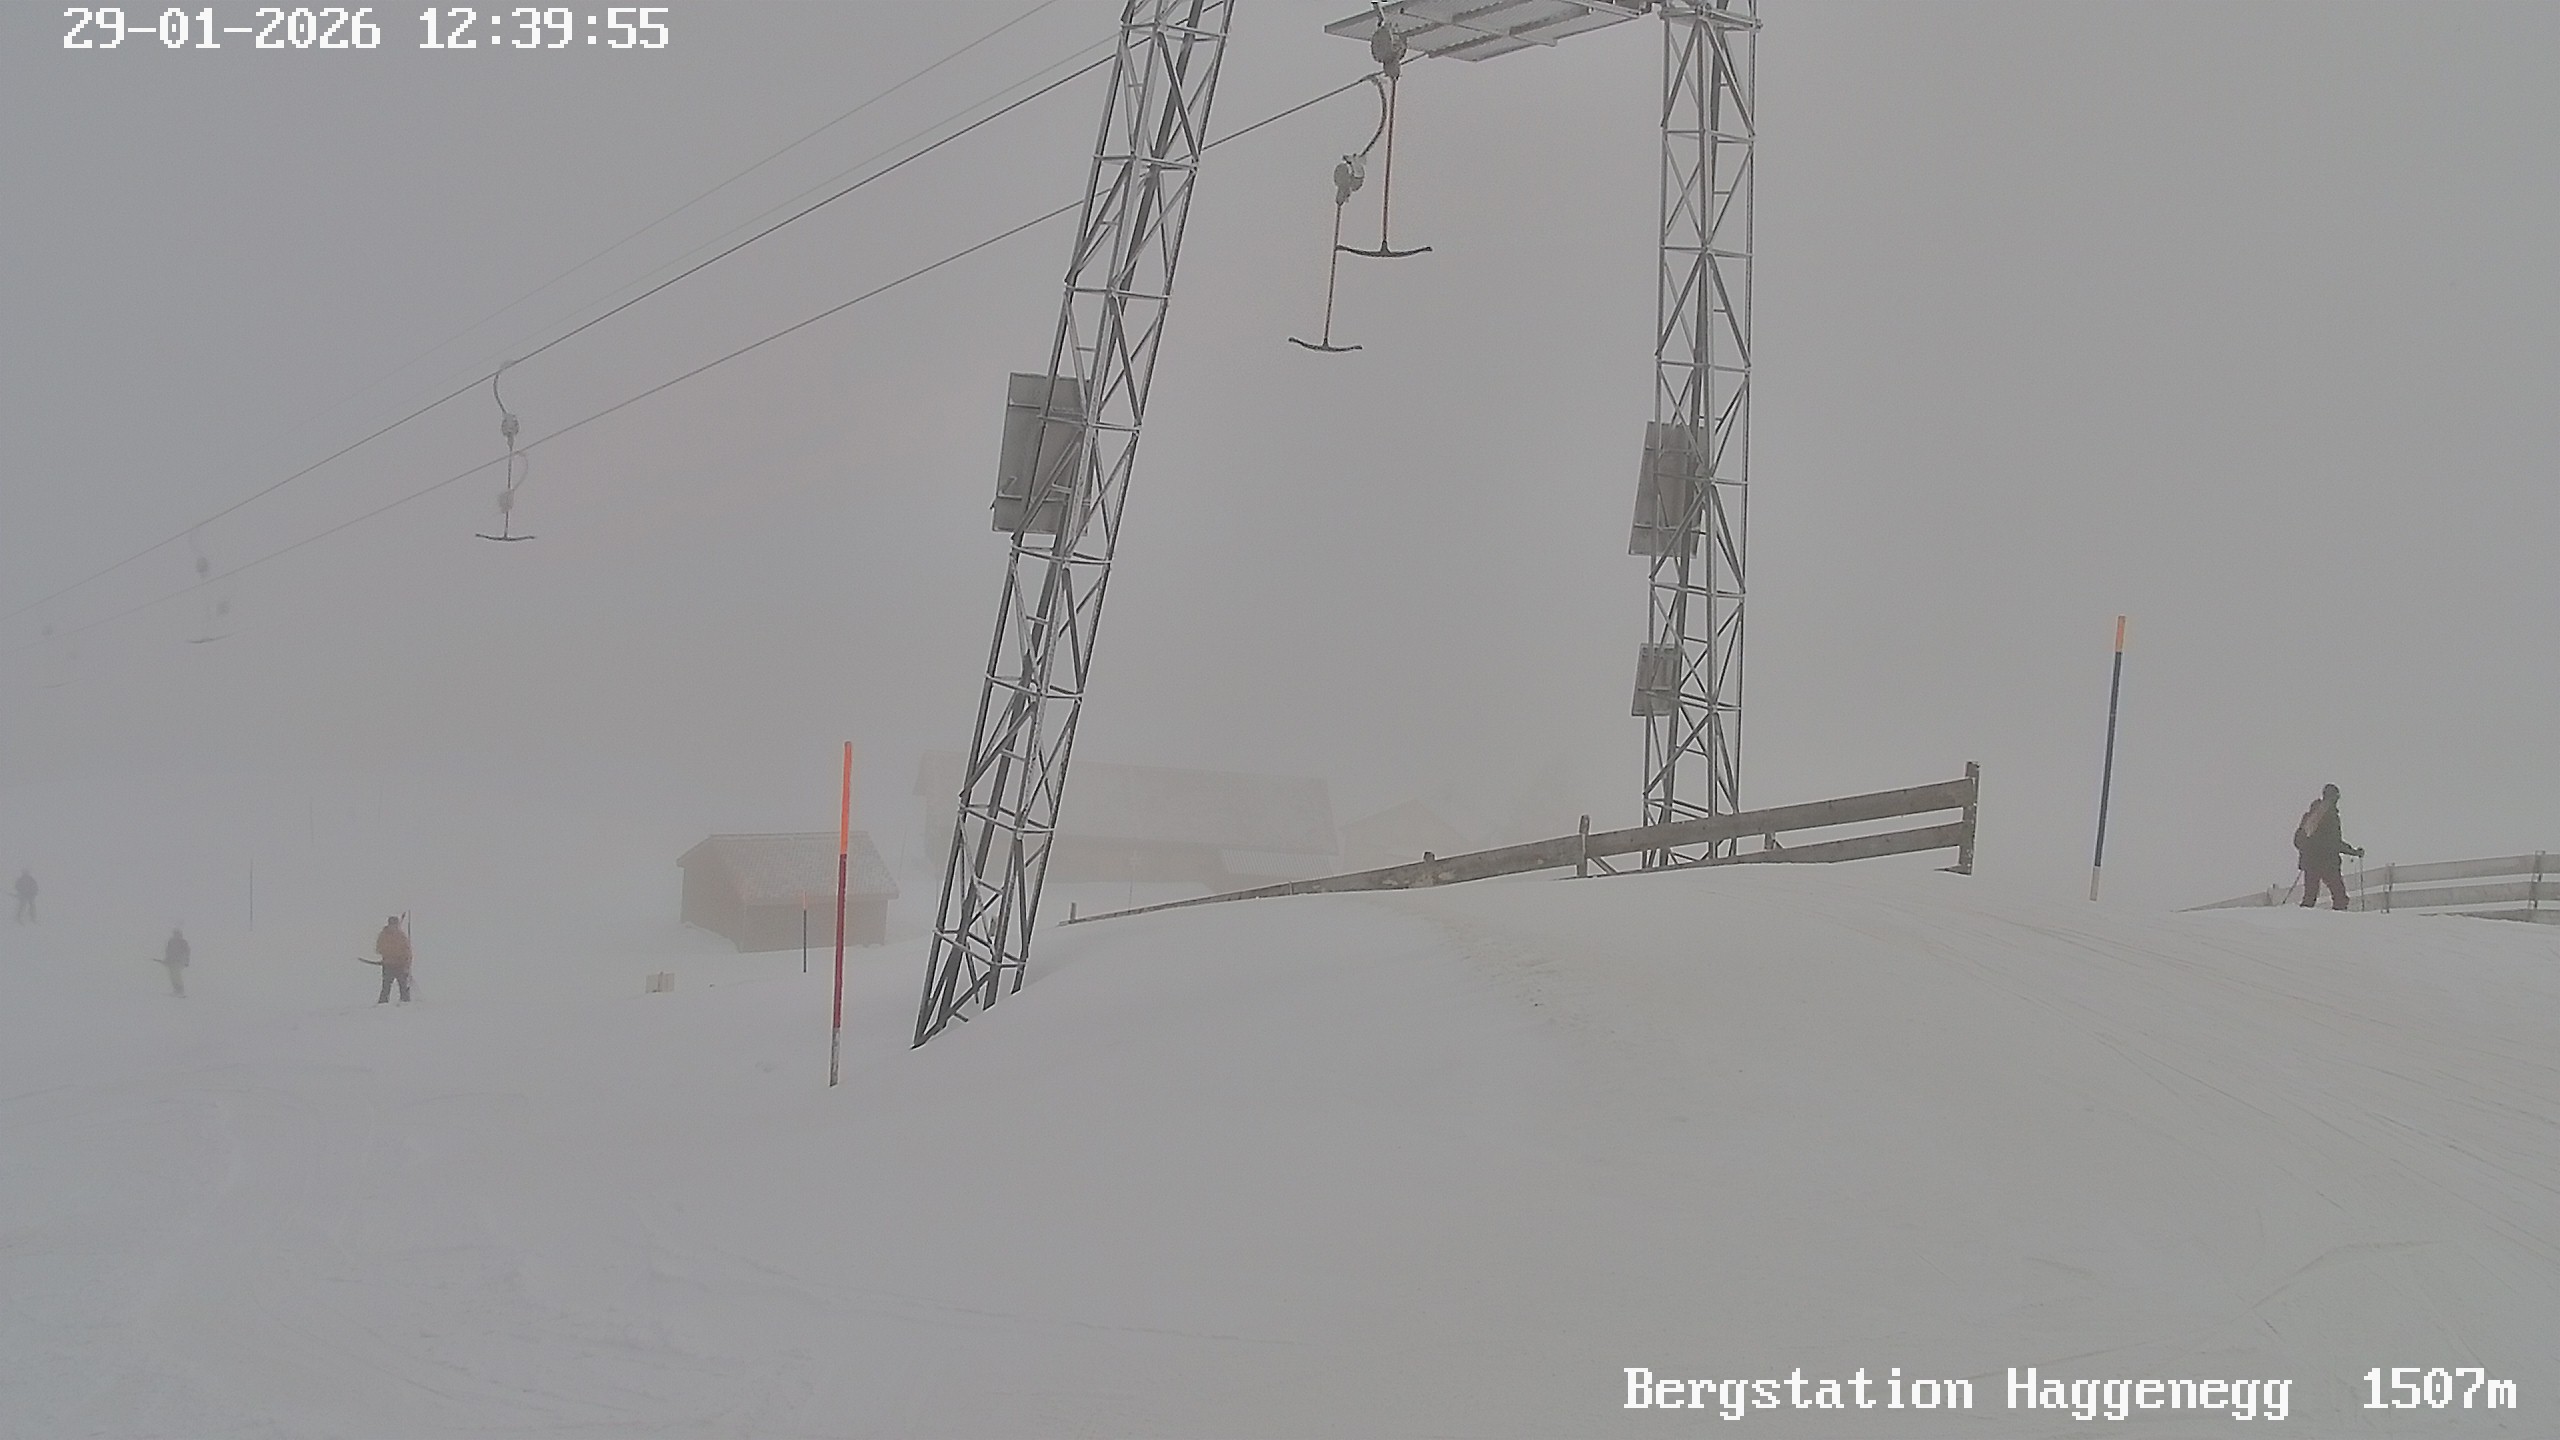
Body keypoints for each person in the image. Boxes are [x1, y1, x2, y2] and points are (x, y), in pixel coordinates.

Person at [2293, 783, 2365, 911]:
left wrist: (2307, 853)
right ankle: (2338, 921)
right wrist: (2353, 852)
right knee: (2339, 896)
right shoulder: (2331, 816)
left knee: (2309, 897)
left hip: (2310, 862)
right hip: (2327, 862)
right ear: (2334, 797)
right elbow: (2334, 842)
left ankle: (2301, 921)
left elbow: (2298, 840)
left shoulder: (2310, 815)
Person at [367, 914, 412, 1004]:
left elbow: (407, 950)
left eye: (395, 924)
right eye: (393, 924)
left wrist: (407, 962)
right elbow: (379, 949)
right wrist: (392, 955)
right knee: (386, 987)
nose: (394, 926)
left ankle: (406, 1004)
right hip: (388, 965)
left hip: (400, 965)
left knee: (403, 987)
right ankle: (382, 1005)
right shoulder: (383, 936)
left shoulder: (401, 936)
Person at [159, 926, 190, 997]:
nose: (176, 935)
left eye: (177, 934)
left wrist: (186, 961)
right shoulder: (171, 941)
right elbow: (168, 951)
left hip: (179, 961)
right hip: (171, 961)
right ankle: (176, 990)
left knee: (177, 975)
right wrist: (166, 959)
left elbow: (187, 952)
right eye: (175, 934)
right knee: (172, 976)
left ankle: (180, 990)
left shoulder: (183, 942)